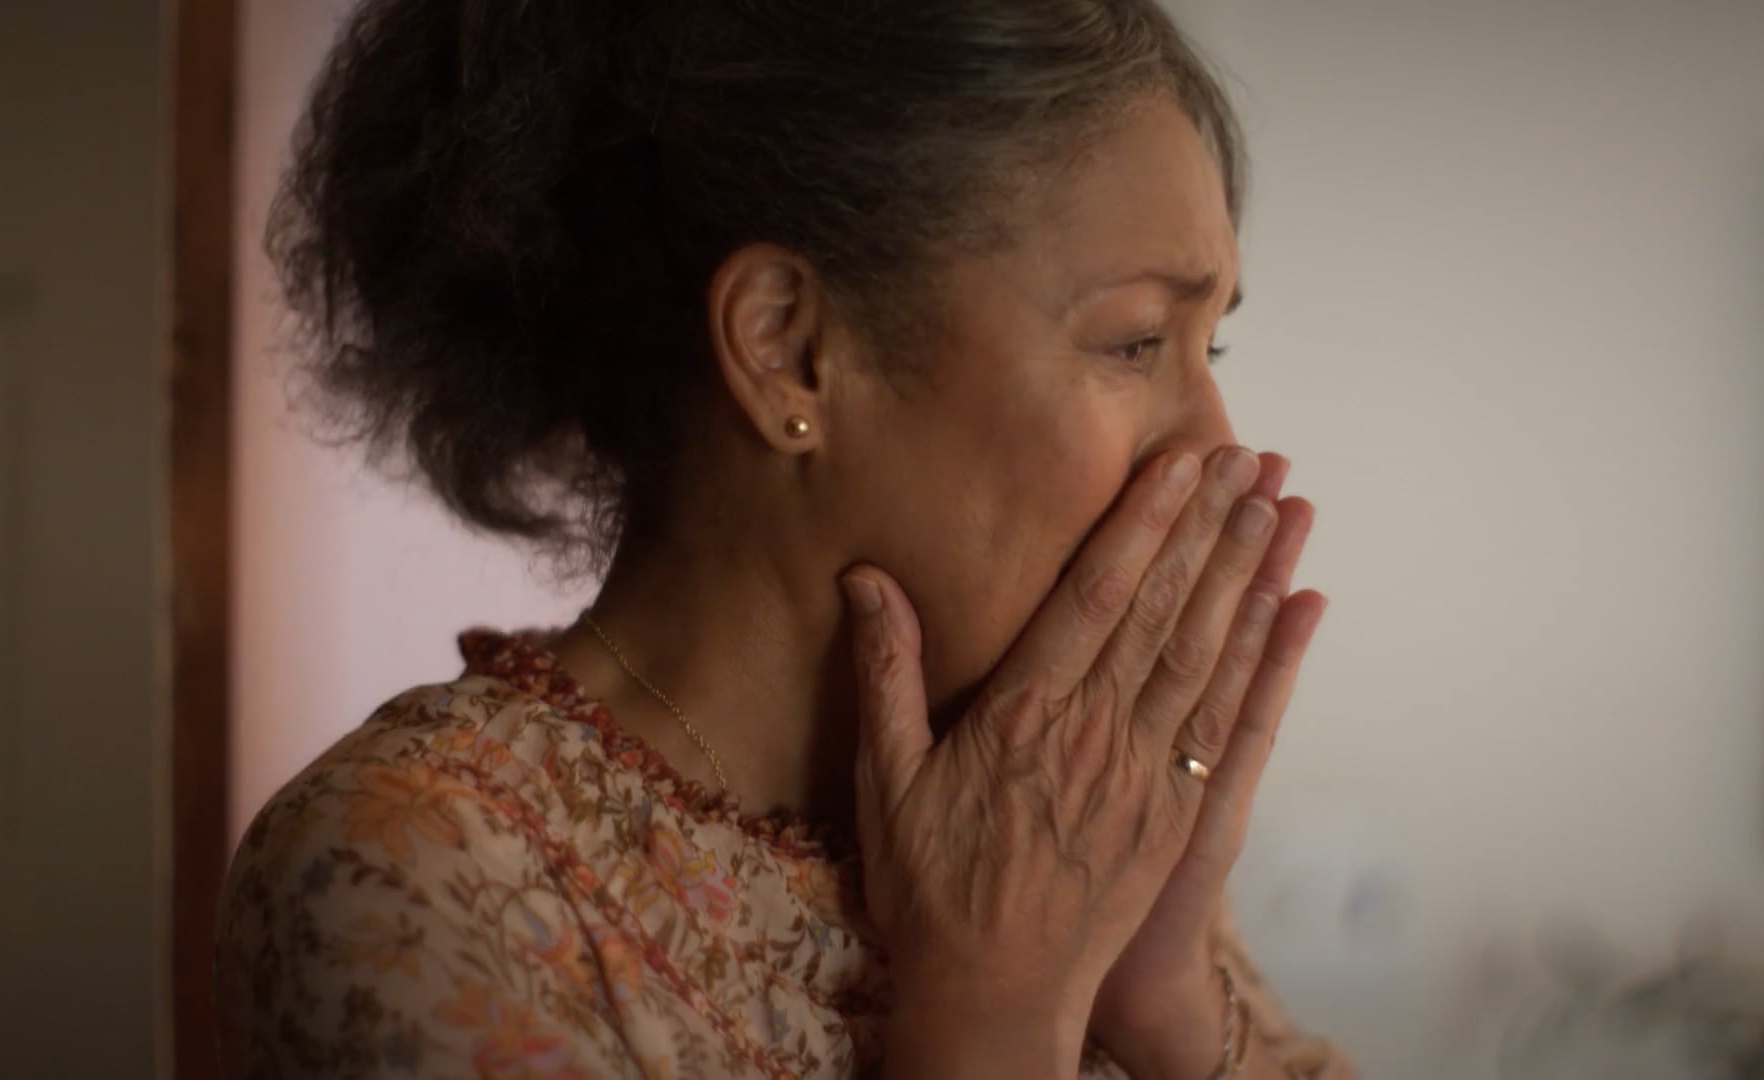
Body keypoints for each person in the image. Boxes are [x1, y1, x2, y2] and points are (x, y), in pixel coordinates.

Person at [216, 1, 1354, 1076]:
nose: (1217, 446)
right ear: (790, 351)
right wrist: (999, 1013)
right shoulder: (413, 866)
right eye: (1137, 341)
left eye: (1211, 346)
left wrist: (1172, 1002)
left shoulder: (1066, 817)